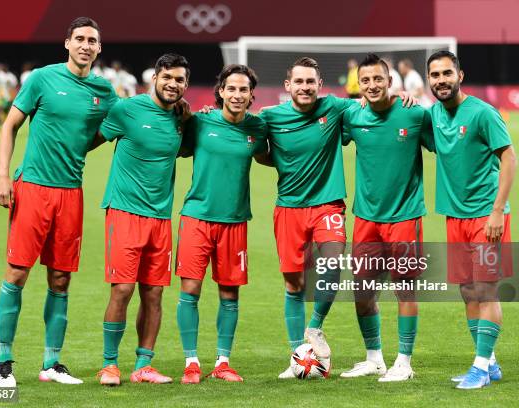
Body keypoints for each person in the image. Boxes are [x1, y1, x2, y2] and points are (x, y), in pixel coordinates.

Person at [0, 16, 118, 387]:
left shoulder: (104, 91)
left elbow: (116, 125)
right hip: (32, 187)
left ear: (99, 48)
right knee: (17, 272)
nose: (85, 45)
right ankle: (4, 361)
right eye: (79, 38)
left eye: (91, 40)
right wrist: (3, 174)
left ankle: (52, 363)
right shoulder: (42, 78)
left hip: (71, 193)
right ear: (67, 43)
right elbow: (9, 124)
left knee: (61, 278)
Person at [95, 53, 190, 386]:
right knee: (122, 289)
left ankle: (143, 365)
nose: (173, 84)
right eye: (168, 77)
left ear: (185, 85)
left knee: (154, 294)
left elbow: (193, 143)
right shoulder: (126, 110)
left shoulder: (182, 118)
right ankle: (109, 364)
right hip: (124, 212)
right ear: (155, 78)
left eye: (179, 80)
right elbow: (91, 141)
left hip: (160, 218)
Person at [339, 54, 434, 382]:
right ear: (358, 84)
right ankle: (374, 358)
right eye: (365, 81)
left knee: (405, 290)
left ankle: (404, 362)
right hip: (365, 218)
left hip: (405, 217)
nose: (372, 85)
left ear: (389, 80)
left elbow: (446, 140)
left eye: (378, 79)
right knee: (362, 292)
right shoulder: (353, 115)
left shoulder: (415, 113)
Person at [260, 57, 355, 378]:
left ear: (319, 84)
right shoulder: (270, 117)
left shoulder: (335, 108)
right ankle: (297, 357)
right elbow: (252, 141)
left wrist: (400, 98)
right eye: (298, 82)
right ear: (287, 86)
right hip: (288, 208)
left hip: (328, 205)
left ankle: (313, 328)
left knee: (331, 263)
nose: (304, 87)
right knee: (294, 284)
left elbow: (373, 102)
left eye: (310, 82)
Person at [427, 50, 516, 389]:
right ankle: (488, 362)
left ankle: (479, 367)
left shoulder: (482, 113)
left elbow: (509, 159)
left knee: (486, 290)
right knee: (467, 291)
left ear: (460, 75)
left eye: (447, 73)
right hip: (455, 217)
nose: (441, 80)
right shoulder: (434, 114)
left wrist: (497, 211)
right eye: (435, 75)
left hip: (486, 217)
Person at [175, 64, 268, 384]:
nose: (237, 94)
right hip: (197, 218)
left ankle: (223, 362)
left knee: (230, 294)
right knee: (190, 290)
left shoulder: (258, 129)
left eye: (244, 89)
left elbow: (269, 155)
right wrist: (186, 115)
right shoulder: (200, 122)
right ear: (221, 92)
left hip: (235, 221)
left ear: (252, 95)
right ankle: (191, 362)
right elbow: (179, 146)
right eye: (232, 88)